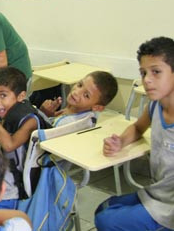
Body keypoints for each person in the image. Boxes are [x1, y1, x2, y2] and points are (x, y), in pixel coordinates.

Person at [94, 37, 174, 231]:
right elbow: (138, 128)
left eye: (156, 72)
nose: (146, 79)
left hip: (170, 209)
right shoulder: (155, 106)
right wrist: (120, 141)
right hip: (158, 192)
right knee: (102, 209)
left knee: (106, 221)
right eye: (143, 72)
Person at [0, 67, 41, 209]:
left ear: (21, 96)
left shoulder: (29, 119)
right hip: (1, 172)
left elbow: (9, 145)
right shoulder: (12, 112)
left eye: (3, 95)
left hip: (11, 189)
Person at [39, 71, 118, 127]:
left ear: (97, 107)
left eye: (86, 95)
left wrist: (42, 113)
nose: (77, 92)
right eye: (80, 85)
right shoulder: (87, 115)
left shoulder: (66, 124)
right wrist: (51, 115)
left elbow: (37, 138)